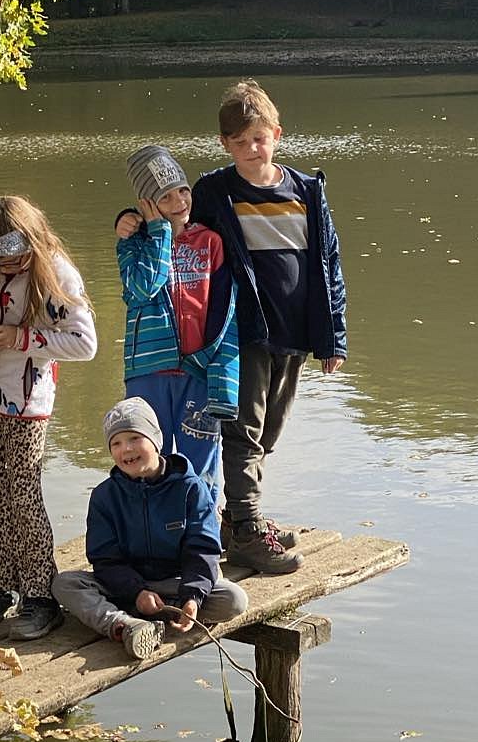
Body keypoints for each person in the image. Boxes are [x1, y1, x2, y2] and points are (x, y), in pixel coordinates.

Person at [191, 79, 347, 574]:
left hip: (296, 332)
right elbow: (181, 233)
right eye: (240, 142)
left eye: (259, 138)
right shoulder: (215, 192)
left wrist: (333, 336)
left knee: (270, 431)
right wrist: (133, 218)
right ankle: (249, 529)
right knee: (242, 430)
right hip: (244, 333)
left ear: (276, 133)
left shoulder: (306, 190)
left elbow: (329, 266)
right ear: (225, 145)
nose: (251, 149)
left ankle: (241, 518)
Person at [0, 195, 97, 641]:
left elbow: (84, 343)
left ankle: (40, 595)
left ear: (32, 242)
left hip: (28, 404)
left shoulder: (56, 273)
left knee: (23, 495)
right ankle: (1, 584)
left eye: (15, 257)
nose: (8, 266)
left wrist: (22, 337)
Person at [53, 398, 248, 659]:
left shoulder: (190, 488)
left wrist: (192, 597)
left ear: (156, 441)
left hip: (175, 583)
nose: (126, 450)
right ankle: (127, 625)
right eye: (116, 443)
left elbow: (203, 548)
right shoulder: (104, 496)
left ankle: (172, 610)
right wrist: (137, 592)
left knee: (234, 600)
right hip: (125, 588)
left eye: (135, 438)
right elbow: (105, 560)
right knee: (65, 584)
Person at [115, 143, 239, 502]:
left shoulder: (210, 242)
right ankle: (150, 536)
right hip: (147, 371)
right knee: (145, 459)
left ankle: (201, 541)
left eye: (182, 190)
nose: (179, 201)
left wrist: (219, 370)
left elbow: (223, 309)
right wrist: (157, 231)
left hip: (197, 371)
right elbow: (141, 289)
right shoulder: (133, 244)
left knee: (199, 463)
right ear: (148, 204)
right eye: (165, 197)